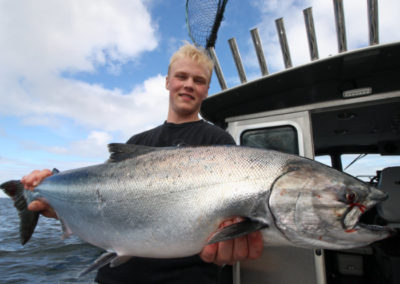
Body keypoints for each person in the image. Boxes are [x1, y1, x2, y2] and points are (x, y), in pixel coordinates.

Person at [21, 43, 263, 283]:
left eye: (198, 80)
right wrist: (56, 205)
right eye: (181, 76)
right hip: (117, 277)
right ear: (168, 82)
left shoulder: (219, 143)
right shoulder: (137, 142)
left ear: (207, 90)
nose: (189, 84)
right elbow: (102, 202)